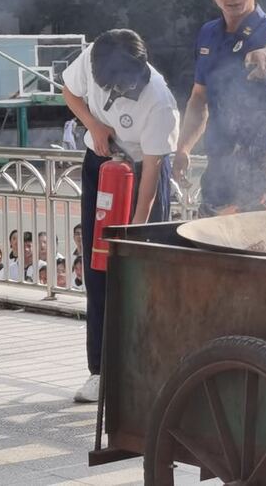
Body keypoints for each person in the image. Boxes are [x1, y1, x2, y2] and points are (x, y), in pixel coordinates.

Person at [61, 28, 180, 403]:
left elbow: (152, 172)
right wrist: (93, 124)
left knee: (141, 276)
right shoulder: (95, 54)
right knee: (98, 270)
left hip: (142, 174)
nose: (115, 93)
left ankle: (147, 367)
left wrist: (136, 228)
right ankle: (100, 370)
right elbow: (70, 92)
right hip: (101, 163)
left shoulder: (159, 102)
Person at [175, 0, 266, 214]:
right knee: (214, 247)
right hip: (220, 166)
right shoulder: (208, 34)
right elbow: (198, 99)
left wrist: (265, 57)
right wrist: (183, 147)